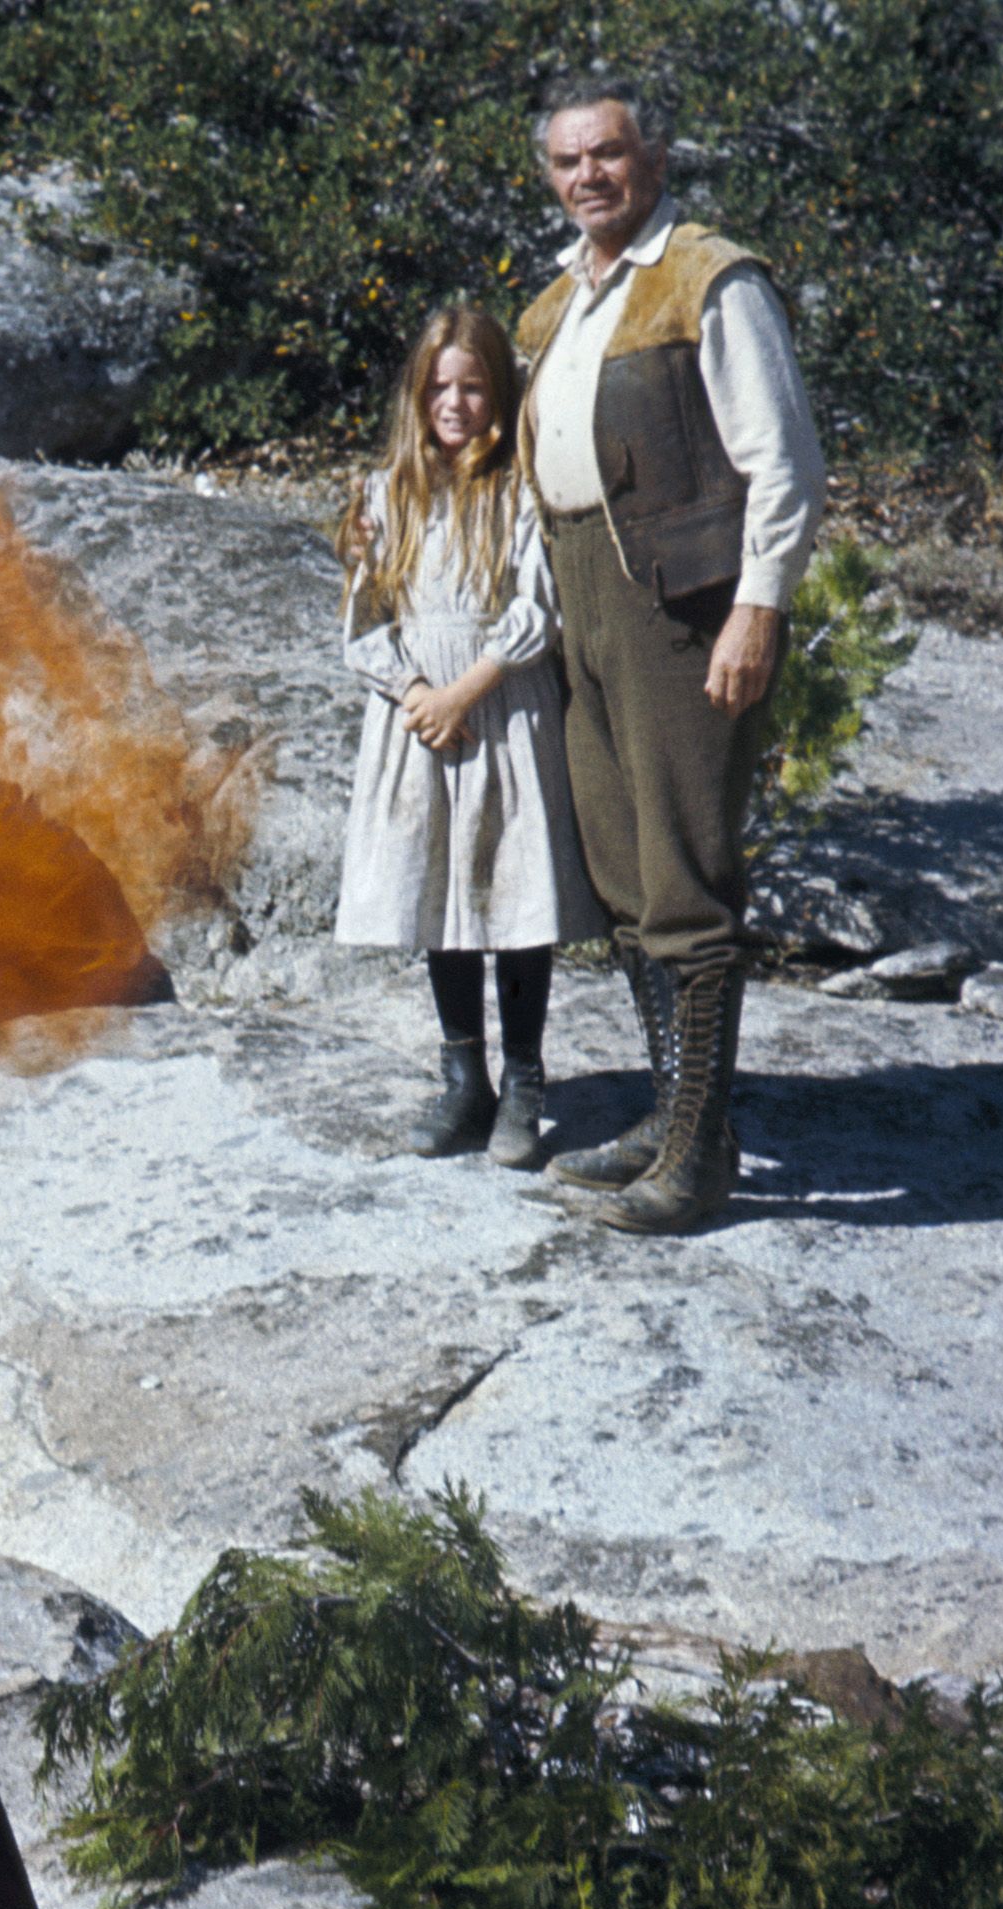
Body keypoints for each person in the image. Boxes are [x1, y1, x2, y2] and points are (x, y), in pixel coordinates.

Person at [520, 75, 825, 1232]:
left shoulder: (707, 278)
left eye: (606, 154)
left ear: (652, 158)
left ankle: (697, 1159)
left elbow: (783, 460)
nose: (586, 176)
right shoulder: (556, 303)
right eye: (565, 162)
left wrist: (758, 608)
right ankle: (672, 1111)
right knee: (624, 869)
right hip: (580, 598)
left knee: (688, 874)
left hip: (681, 604)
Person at [335, 303, 601, 1168]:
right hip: (419, 720)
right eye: (438, 387)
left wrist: (467, 690)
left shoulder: (519, 488)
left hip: (499, 706)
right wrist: (416, 691)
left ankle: (525, 1079)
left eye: (473, 386)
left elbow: (537, 607)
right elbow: (364, 618)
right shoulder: (385, 494)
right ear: (417, 395)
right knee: (439, 892)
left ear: (500, 392)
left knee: (511, 892)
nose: (454, 403)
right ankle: (464, 1080)